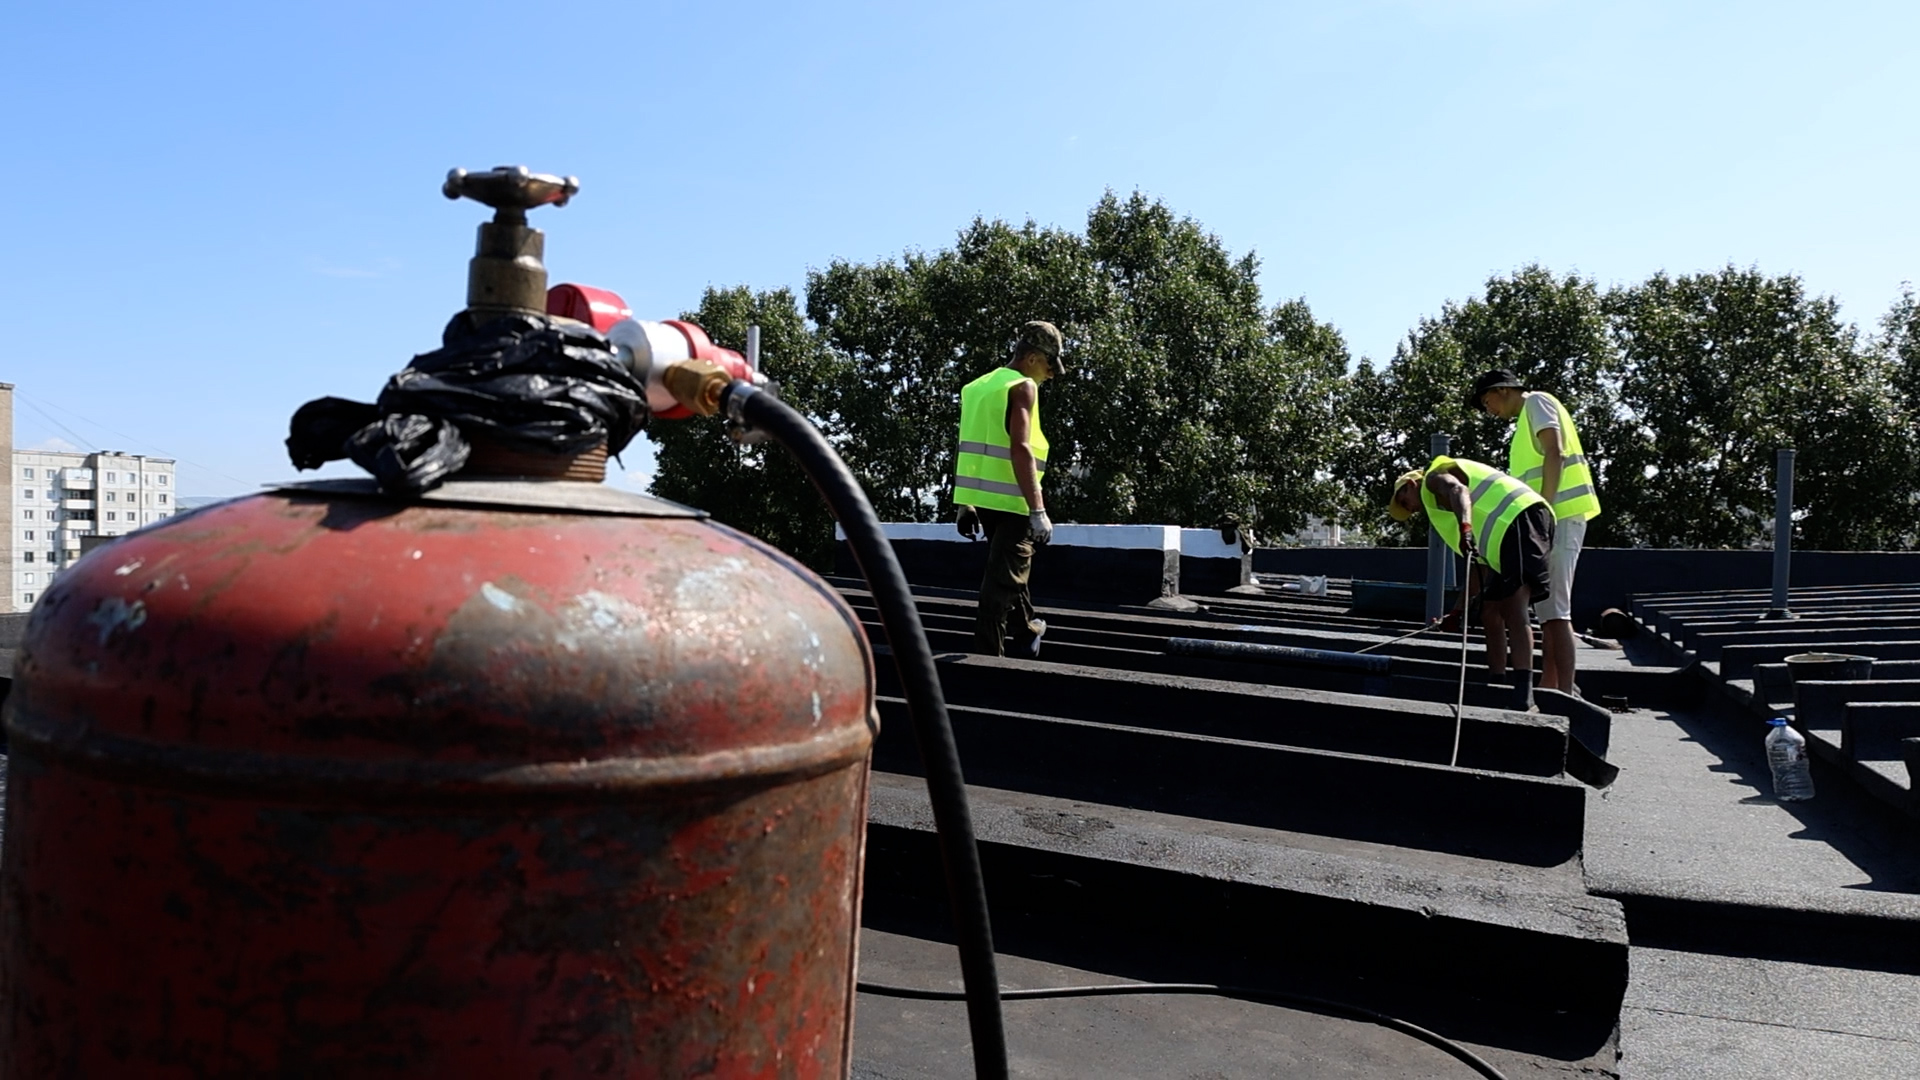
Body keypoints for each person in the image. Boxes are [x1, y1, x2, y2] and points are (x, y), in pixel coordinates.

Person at [1471, 369, 1602, 695]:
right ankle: (1551, 685)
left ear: (1502, 390)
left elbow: (1554, 452)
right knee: (1548, 609)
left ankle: (1566, 689)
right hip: (1549, 521)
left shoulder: (1537, 403)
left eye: (1487, 401)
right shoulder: (1524, 423)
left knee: (1556, 608)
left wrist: (1545, 512)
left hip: (1559, 518)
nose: (1489, 410)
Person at [1388, 455, 1554, 681]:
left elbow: (1458, 490)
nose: (1409, 509)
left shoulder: (1433, 478)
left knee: (1514, 607)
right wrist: (1457, 612)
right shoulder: (1447, 510)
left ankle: (1523, 692)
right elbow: (1479, 571)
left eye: (1404, 501)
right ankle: (1497, 680)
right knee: (1490, 612)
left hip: (1522, 517)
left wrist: (1465, 527)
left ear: (1411, 485)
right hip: (1504, 538)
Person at [953, 321, 1064, 657]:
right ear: (1031, 358)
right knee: (999, 585)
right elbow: (1021, 449)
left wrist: (965, 503)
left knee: (1011, 571)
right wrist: (1038, 509)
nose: (1051, 374)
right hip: (1015, 502)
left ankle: (1027, 628)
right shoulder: (1022, 387)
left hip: (986, 500)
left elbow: (966, 446)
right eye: (1048, 364)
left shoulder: (978, 387)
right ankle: (988, 658)